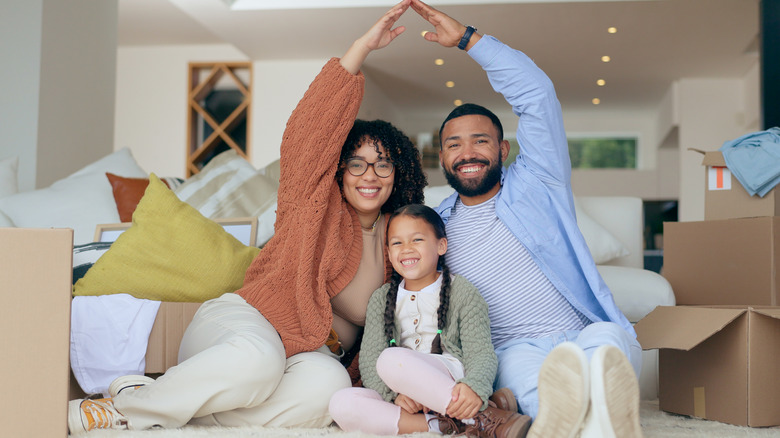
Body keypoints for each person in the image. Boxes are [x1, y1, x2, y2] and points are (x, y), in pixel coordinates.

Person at [67, 1, 429, 432]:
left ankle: (159, 406)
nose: (369, 174)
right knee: (259, 361)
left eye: (383, 163)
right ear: (338, 169)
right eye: (356, 162)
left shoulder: (402, 237)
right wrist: (359, 50)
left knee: (330, 392)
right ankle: (121, 413)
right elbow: (306, 135)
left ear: (398, 173)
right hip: (244, 327)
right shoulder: (315, 206)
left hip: (311, 357)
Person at [409, 1, 643, 437]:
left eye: (481, 140)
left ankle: (600, 407)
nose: (467, 153)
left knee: (609, 345)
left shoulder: (539, 182)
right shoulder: (434, 228)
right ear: (441, 157)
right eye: (454, 145)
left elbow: (537, 95)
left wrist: (467, 39)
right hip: (514, 349)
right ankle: (602, 420)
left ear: (503, 151)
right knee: (544, 399)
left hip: (584, 329)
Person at [329, 204, 531, 438]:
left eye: (417, 240)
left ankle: (481, 415)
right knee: (341, 403)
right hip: (403, 387)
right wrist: (394, 396)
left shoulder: (462, 292)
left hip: (450, 380)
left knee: (391, 359)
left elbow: (481, 352)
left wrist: (475, 386)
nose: (406, 249)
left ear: (441, 245)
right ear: (388, 251)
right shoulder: (382, 298)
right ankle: (450, 424)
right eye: (397, 243)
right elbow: (370, 359)